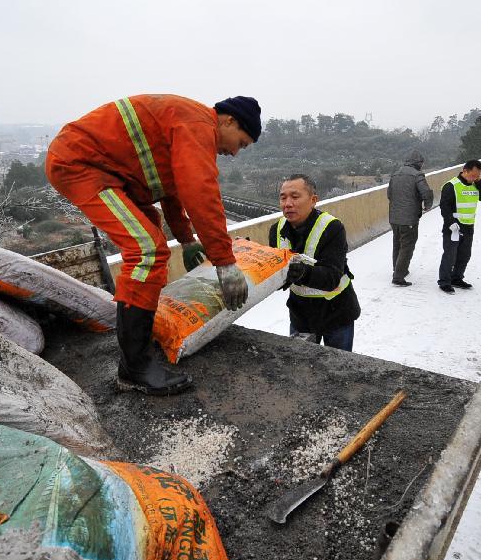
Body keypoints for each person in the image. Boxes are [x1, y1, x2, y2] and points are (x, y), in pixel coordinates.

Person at [46, 94, 260, 396]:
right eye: (242, 143)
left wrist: (187, 240)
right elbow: (200, 193)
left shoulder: (186, 124)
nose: (236, 153)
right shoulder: (198, 125)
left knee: (151, 243)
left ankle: (137, 355)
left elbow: (174, 190)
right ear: (229, 121)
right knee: (147, 251)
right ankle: (135, 367)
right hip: (82, 165)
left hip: (109, 172)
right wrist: (224, 261)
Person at [269, 174, 361, 351]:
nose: (287, 203)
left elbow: (332, 277)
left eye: (295, 197)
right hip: (300, 315)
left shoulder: (332, 228)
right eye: (283, 197)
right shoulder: (277, 230)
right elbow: (276, 273)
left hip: (336, 314)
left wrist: (302, 272)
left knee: (337, 368)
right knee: (300, 367)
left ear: (313, 200)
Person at [437, 160, 481, 294]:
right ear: (464, 171)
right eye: (473, 175)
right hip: (454, 226)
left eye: (477, 175)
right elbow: (444, 206)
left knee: (464, 255)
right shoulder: (451, 186)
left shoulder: (476, 184)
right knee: (450, 255)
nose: (474, 178)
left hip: (469, 226)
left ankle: (457, 278)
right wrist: (450, 222)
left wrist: (479, 181)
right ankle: (444, 282)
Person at [387, 150, 434, 286]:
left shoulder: (395, 174)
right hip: (409, 218)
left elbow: (389, 194)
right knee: (407, 246)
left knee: (397, 243)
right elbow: (426, 193)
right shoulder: (417, 175)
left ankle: (398, 269)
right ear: (418, 163)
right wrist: (427, 205)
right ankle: (398, 276)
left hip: (394, 217)